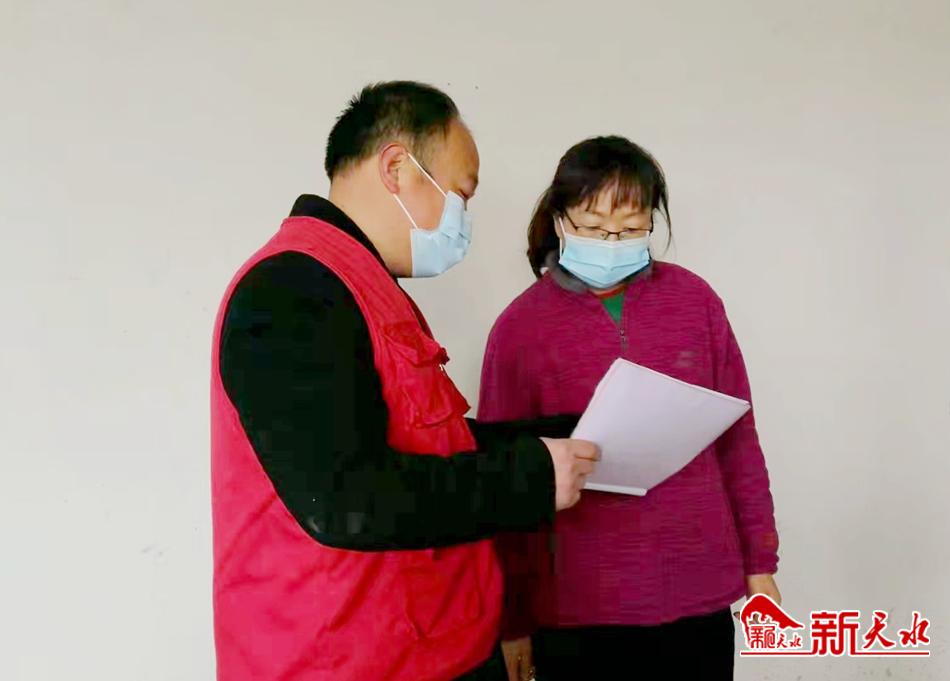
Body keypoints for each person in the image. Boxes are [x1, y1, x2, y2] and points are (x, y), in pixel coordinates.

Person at [209, 81, 599, 681]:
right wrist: (531, 476)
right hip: (345, 663)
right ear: (396, 168)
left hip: (431, 647)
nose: (463, 220)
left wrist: (568, 433)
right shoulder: (291, 290)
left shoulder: (362, 285)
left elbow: (428, 444)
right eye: (460, 195)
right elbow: (344, 498)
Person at [478, 136, 780, 681]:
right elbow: (504, 481)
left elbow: (739, 441)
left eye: (630, 227)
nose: (611, 242)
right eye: (594, 228)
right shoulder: (520, 329)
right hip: (579, 606)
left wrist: (760, 563)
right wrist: (512, 618)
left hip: (696, 591)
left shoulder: (695, 303)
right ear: (560, 220)